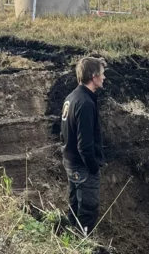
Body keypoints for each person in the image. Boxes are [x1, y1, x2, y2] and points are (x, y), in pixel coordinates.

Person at [60, 57, 107, 236]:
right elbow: (84, 145)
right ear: (94, 76)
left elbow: (63, 133)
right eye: (102, 74)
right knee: (87, 211)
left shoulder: (71, 97)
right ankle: (82, 244)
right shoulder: (85, 103)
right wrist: (94, 168)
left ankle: (70, 243)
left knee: (74, 208)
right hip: (83, 168)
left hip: (71, 164)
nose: (104, 78)